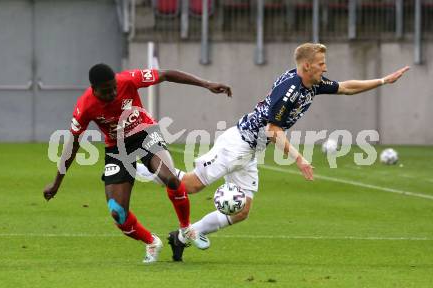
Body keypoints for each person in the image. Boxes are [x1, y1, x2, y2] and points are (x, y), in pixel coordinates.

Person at [136, 43, 410, 261]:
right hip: (238, 144)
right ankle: (146, 162)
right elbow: (273, 130)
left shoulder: (312, 83)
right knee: (189, 186)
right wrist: (300, 159)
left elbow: (347, 88)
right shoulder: (289, 90)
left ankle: (182, 237)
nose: (325, 68)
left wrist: (384, 80)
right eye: (321, 64)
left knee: (242, 210)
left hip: (251, 151)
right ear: (306, 65)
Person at [42, 63, 231, 263]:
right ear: (94, 90)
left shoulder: (128, 79)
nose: (113, 93)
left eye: (114, 87)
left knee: (171, 179)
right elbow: (73, 145)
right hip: (117, 148)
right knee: (118, 213)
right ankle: (151, 242)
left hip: (145, 133)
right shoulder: (85, 106)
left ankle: (186, 229)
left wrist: (206, 84)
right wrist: (57, 183)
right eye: (107, 91)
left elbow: (166, 74)